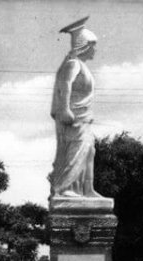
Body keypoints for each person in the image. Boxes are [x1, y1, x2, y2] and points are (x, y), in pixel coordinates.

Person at [49, 17, 103, 199]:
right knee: (76, 150)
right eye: (93, 45)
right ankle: (64, 188)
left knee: (89, 151)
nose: (95, 49)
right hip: (74, 117)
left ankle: (87, 189)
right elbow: (65, 83)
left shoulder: (82, 66)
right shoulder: (73, 64)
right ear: (85, 45)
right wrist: (64, 108)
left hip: (84, 117)